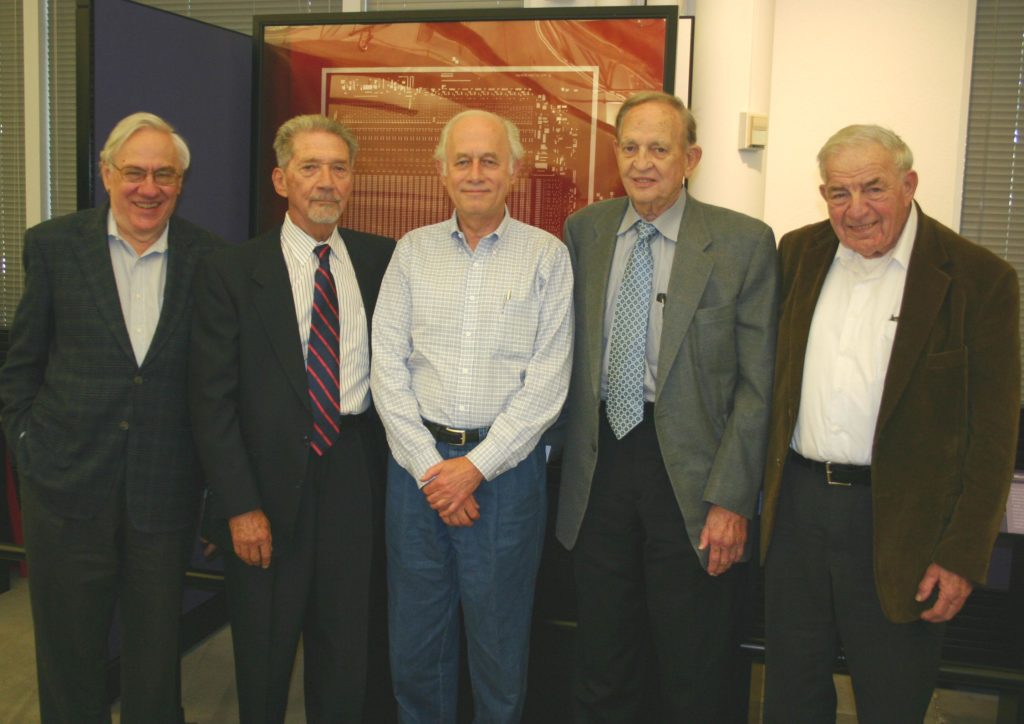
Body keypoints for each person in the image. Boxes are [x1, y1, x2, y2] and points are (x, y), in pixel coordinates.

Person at [760, 124, 1020, 723]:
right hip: (798, 511)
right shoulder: (798, 254)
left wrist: (960, 554)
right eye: (837, 193)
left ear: (909, 184)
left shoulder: (980, 280)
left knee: (892, 701)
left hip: (901, 525)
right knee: (791, 698)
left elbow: (993, 439)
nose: (855, 211)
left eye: (873, 189)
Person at [555, 91, 779, 722]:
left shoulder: (742, 243)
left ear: (692, 157)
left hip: (692, 477)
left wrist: (732, 499)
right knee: (601, 656)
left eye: (659, 147)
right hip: (599, 465)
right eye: (630, 147)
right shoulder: (586, 231)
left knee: (694, 665)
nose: (643, 162)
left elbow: (758, 387)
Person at [0, 112, 221, 723]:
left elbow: (214, 385)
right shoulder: (53, 246)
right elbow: (21, 365)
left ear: (181, 182)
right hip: (66, 487)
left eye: (164, 175)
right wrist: (28, 447)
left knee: (155, 654)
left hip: (163, 489)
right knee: (69, 654)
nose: (148, 188)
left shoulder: (211, 257)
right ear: (106, 174)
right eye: (134, 172)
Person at [189, 114, 395, 723]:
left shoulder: (384, 261)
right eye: (310, 167)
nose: (326, 181)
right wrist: (239, 505)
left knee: (346, 648)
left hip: (357, 475)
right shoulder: (232, 271)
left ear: (352, 179)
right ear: (281, 180)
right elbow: (211, 400)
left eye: (338, 167)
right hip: (267, 488)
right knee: (264, 651)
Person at [370, 109, 573, 723]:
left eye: (490, 160)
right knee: (417, 646)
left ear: (513, 171)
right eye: (463, 160)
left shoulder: (547, 256)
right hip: (416, 474)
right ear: (442, 171)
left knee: (499, 648)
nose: (476, 173)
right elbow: (387, 370)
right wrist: (437, 472)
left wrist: (473, 469)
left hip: (506, 480)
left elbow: (548, 382)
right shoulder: (412, 252)